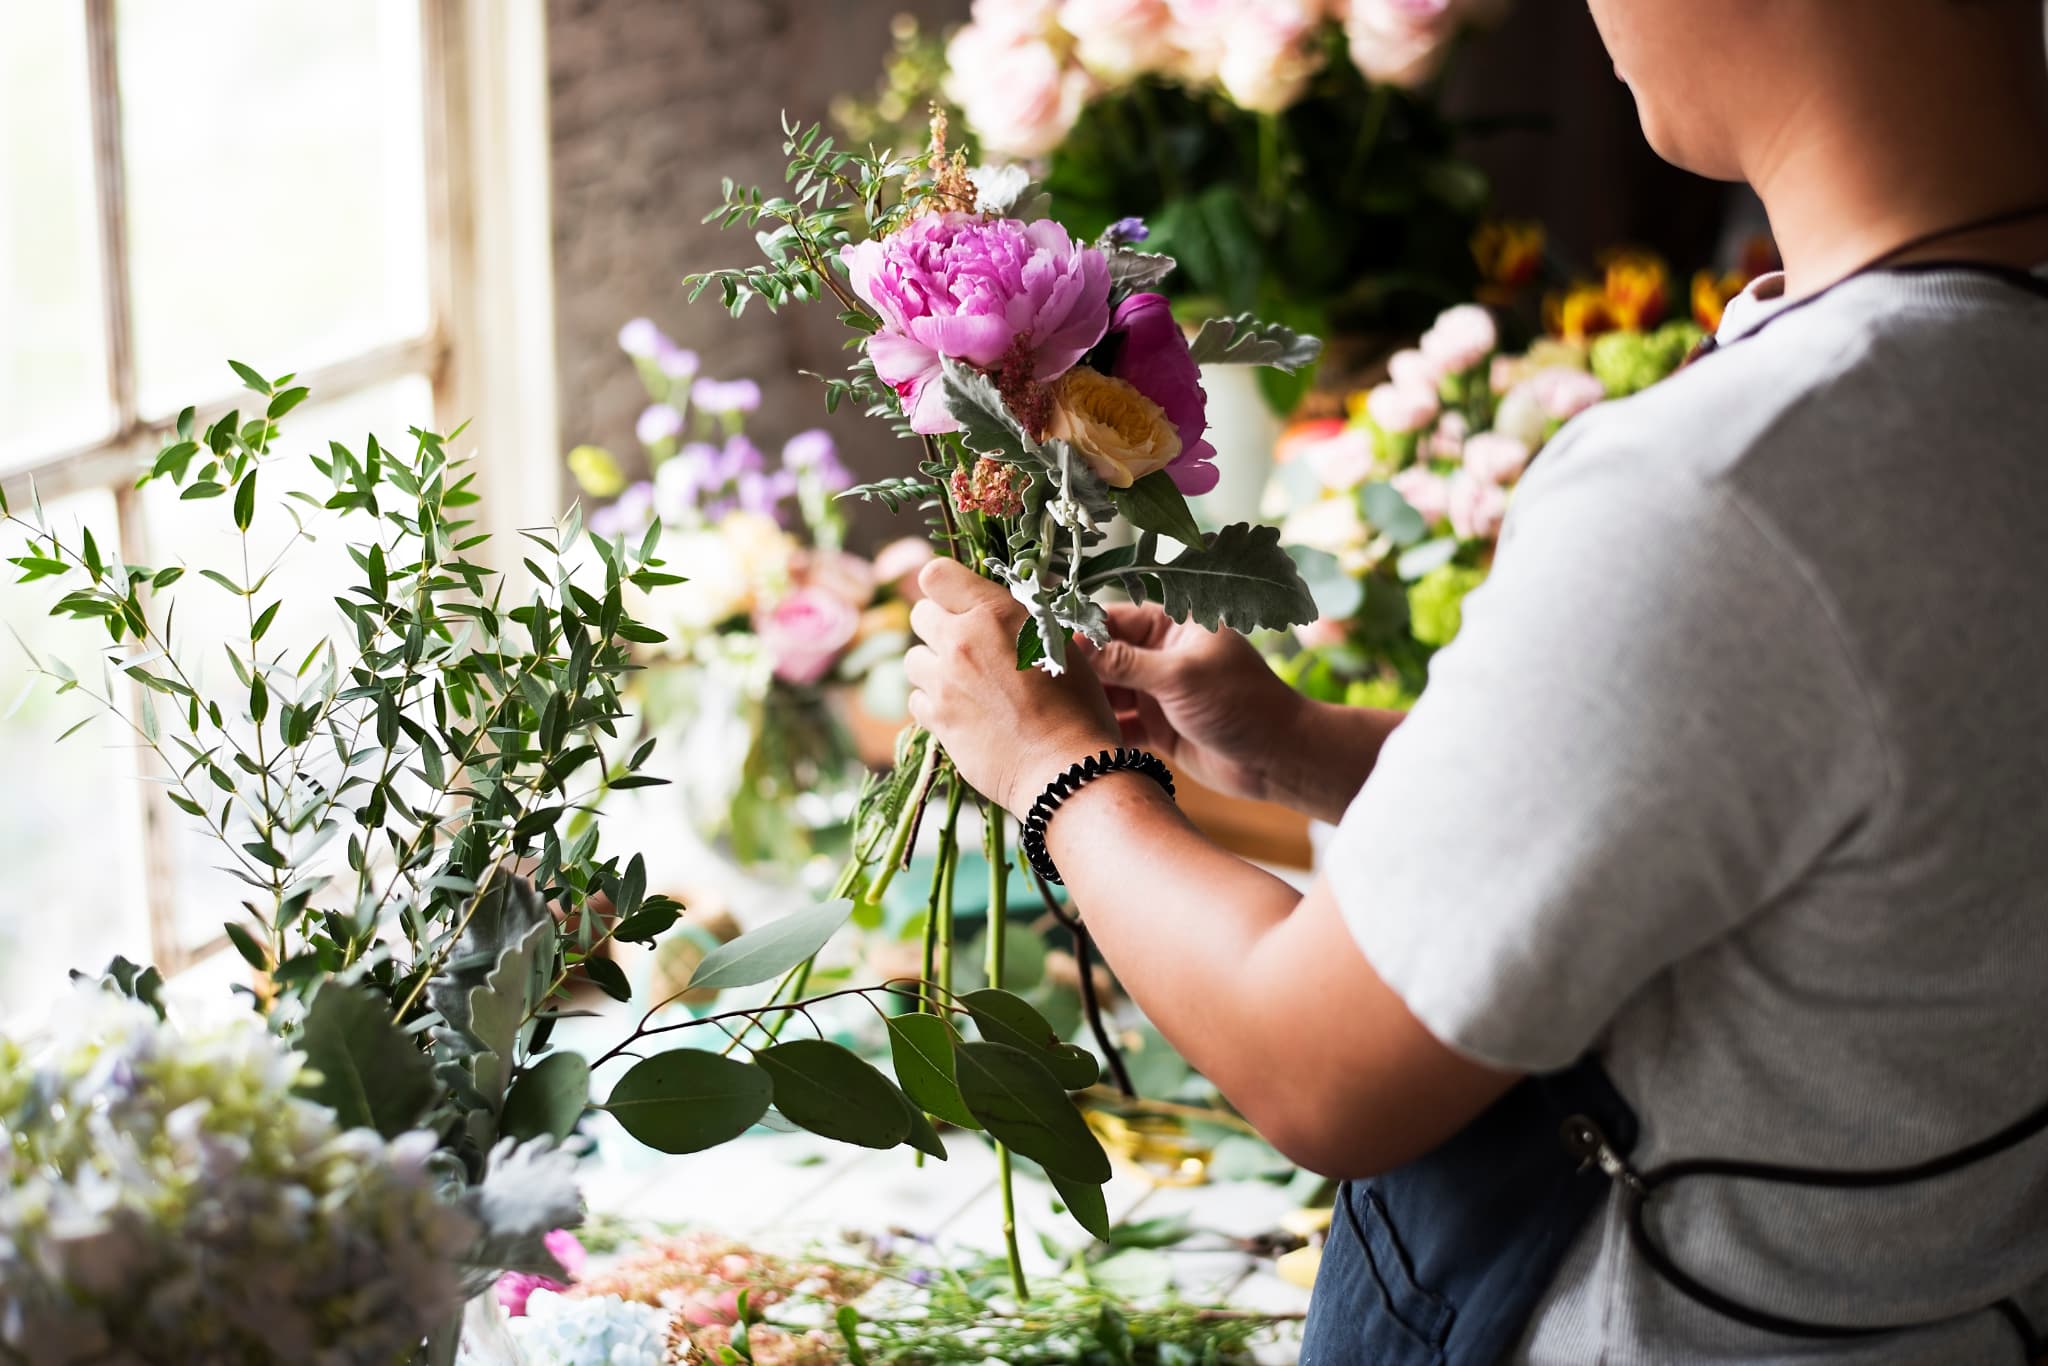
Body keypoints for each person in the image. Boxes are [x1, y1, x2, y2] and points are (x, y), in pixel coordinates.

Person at [899, 1, 2048, 1361]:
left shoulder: (1737, 484)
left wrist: (1047, 763)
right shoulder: (1957, 372)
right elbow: (1790, 821)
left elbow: (1315, 1064)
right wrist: (1299, 746)